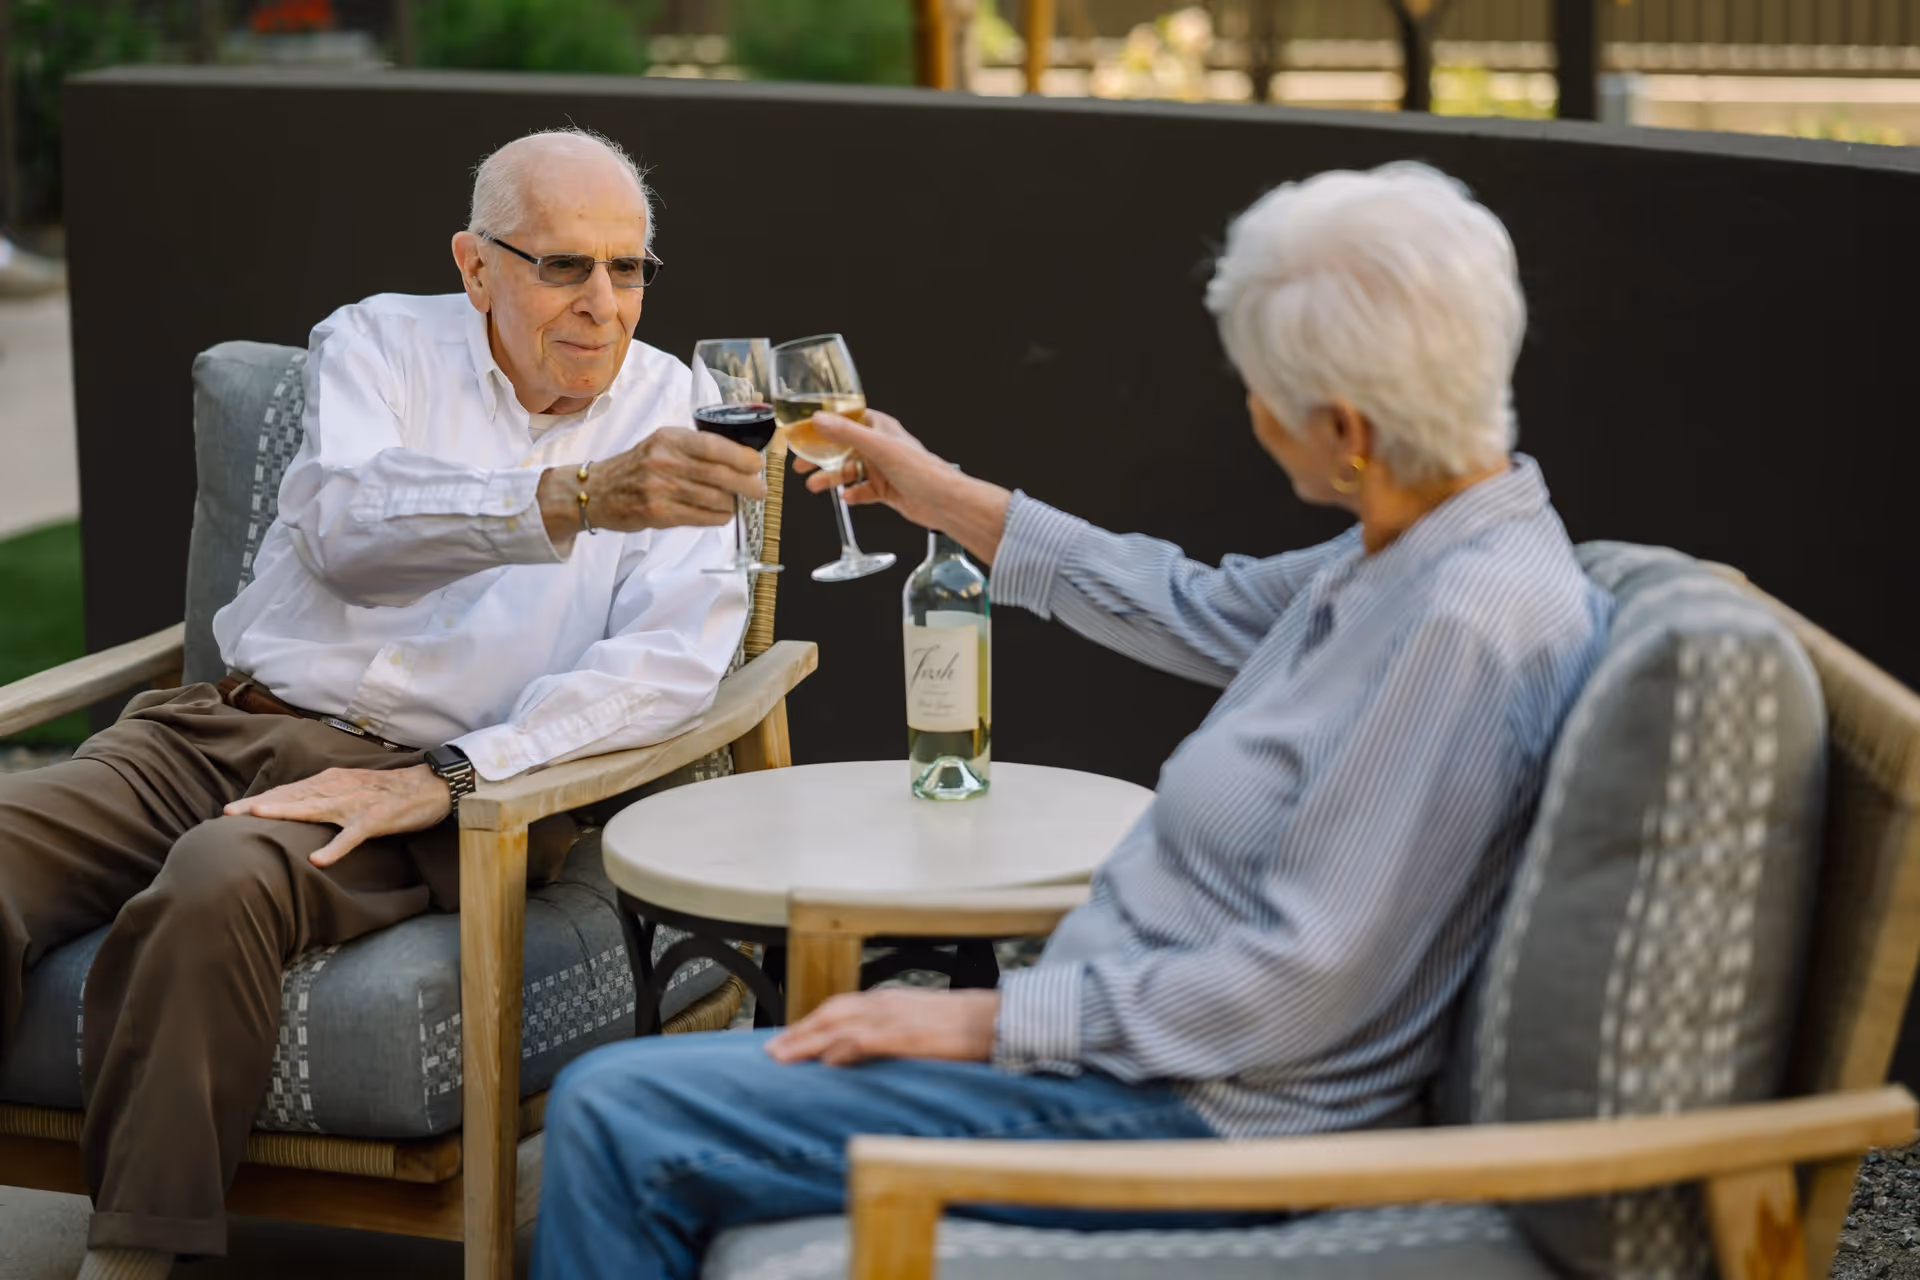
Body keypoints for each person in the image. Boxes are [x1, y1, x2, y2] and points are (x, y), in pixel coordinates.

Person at [529, 161, 1615, 1280]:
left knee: (614, 1108)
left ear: (1343, 426)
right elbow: (1187, 601)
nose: (1245, 408)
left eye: (1254, 385)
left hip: (1200, 1118)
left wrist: (982, 1021)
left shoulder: (1461, 622)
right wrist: (932, 486)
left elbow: (1304, 979)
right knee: (641, 1099)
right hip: (1141, 1061)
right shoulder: (1422, 547)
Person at [0, 127, 766, 1280]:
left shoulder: (686, 415)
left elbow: (665, 660)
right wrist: (568, 499)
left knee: (216, 882)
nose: (604, 303)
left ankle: (130, 1259)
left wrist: (451, 774)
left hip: (425, 781)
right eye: (564, 265)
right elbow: (345, 530)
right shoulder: (377, 342)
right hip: (216, 722)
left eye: (629, 268)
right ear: (476, 267)